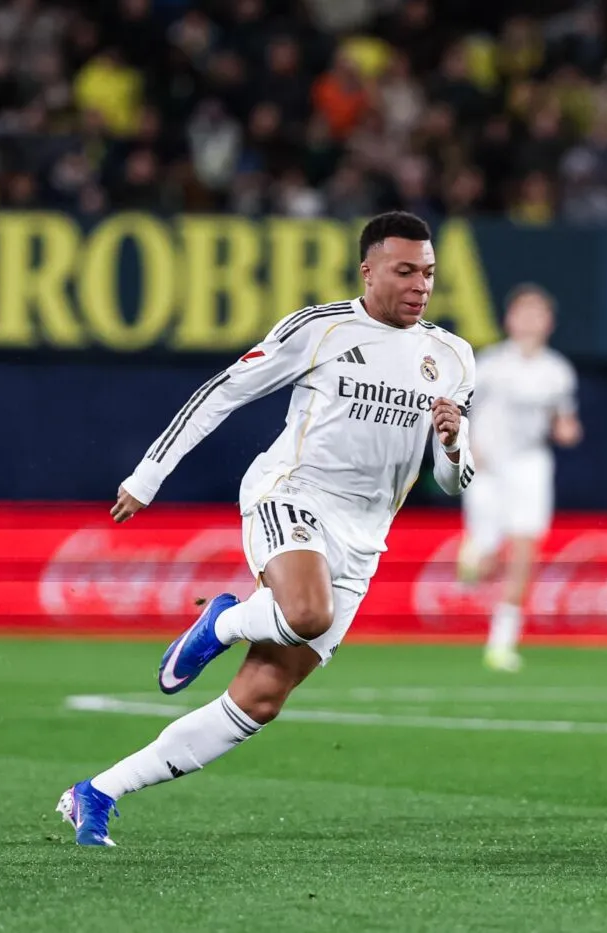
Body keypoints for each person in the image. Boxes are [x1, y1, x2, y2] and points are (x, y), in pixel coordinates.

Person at [56, 211, 477, 846]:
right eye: (406, 271)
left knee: (259, 700)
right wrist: (148, 475)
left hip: (365, 537)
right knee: (305, 612)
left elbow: (452, 482)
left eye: (430, 273)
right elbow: (222, 392)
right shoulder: (321, 329)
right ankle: (223, 621)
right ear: (368, 271)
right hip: (293, 495)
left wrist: (453, 443)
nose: (421, 285)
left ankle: (99, 791)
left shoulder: (452, 358)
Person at [456, 283, 581, 672]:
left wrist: (567, 429)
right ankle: (476, 557)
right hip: (487, 469)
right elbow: (459, 410)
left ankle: (502, 641)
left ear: (549, 323)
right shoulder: (489, 364)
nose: (529, 322)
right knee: (487, 557)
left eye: (538, 314)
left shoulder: (557, 371)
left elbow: (563, 420)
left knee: (525, 548)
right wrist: (468, 445)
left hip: (530, 464)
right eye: (523, 313)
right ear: (509, 319)